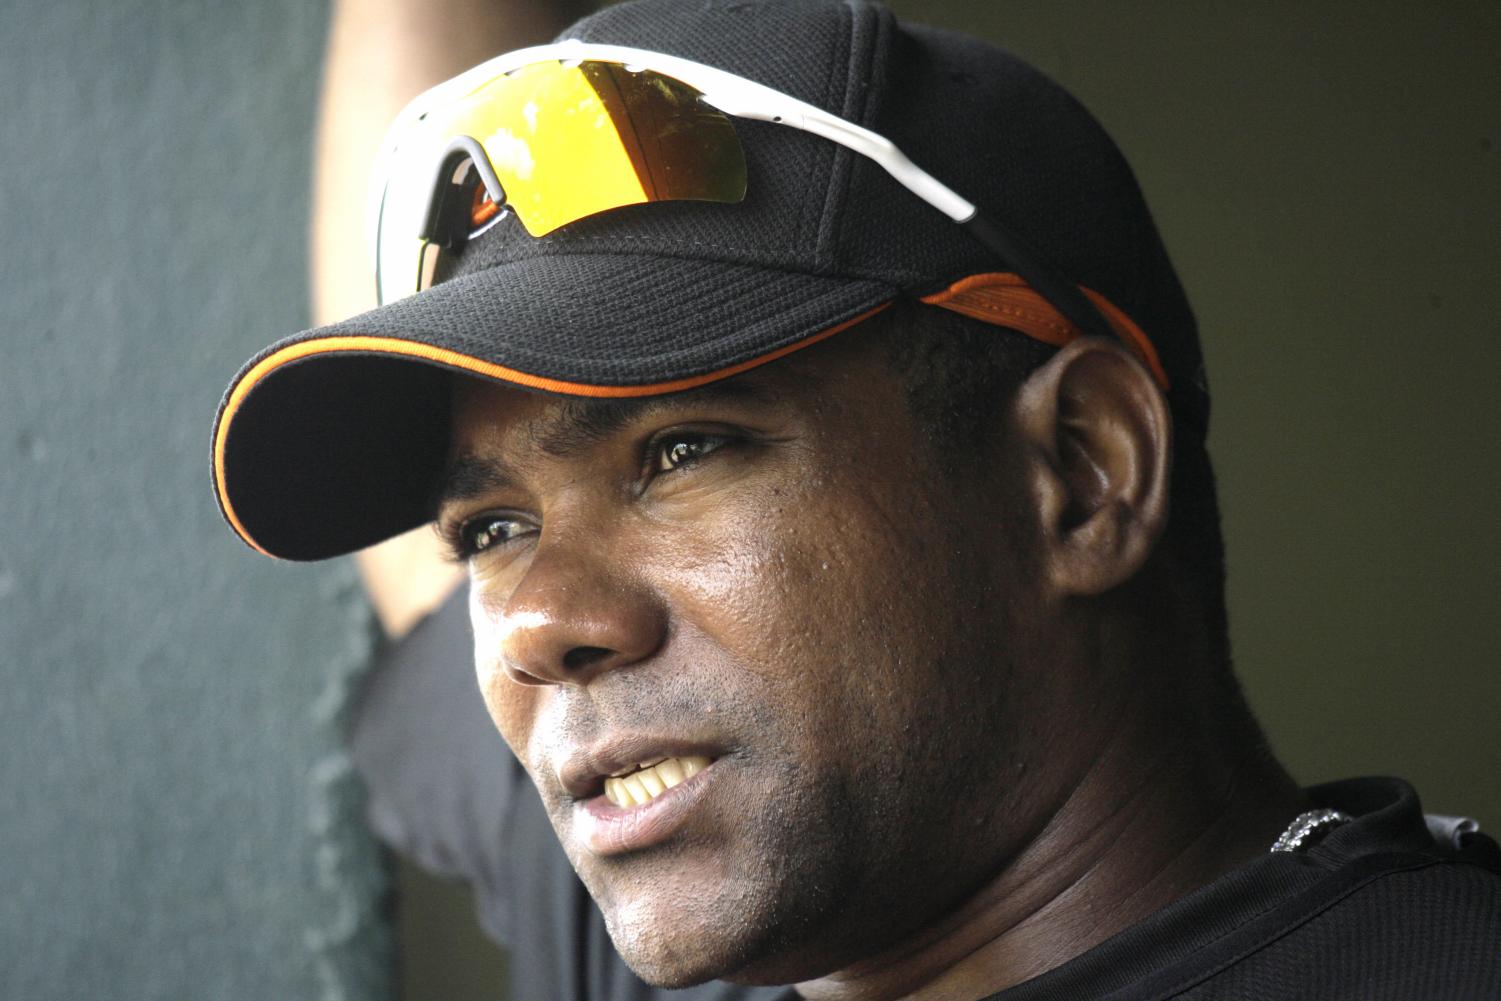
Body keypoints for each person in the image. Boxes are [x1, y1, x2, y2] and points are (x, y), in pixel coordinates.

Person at [212, 1, 1501, 998]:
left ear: (1085, 470)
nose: (540, 624)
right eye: (494, 527)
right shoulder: (726, 921)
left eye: (679, 451)